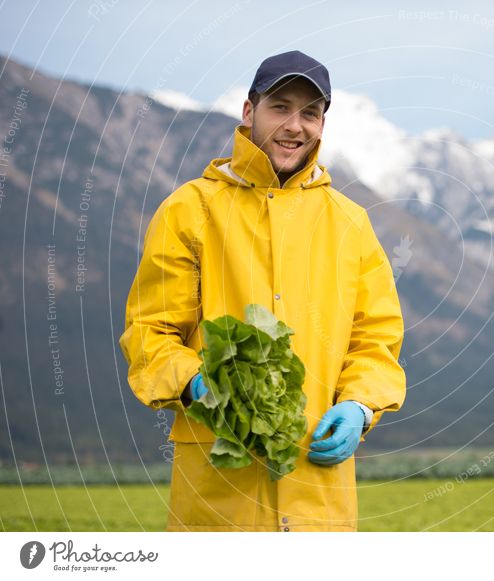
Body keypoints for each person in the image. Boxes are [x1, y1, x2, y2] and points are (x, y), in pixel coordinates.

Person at [119, 50, 406, 532]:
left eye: (310, 113)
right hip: (217, 497)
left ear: (322, 124)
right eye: (280, 107)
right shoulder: (189, 211)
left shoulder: (351, 224)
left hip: (319, 498)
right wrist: (194, 383)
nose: (295, 125)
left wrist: (360, 405)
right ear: (249, 112)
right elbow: (150, 333)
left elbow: (375, 342)